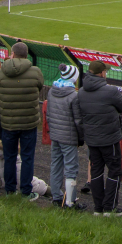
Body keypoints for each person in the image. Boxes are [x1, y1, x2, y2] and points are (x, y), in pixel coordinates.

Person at [0, 42, 45, 198]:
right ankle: (25, 190)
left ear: (13, 54)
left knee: (9, 156)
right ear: (27, 54)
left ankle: (10, 190)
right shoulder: (35, 71)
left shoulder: (2, 72)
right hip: (28, 122)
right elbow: (39, 86)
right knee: (27, 157)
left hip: (9, 121)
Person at [76, 61, 122, 215]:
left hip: (92, 139)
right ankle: (109, 207)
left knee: (96, 171)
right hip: (109, 139)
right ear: (102, 73)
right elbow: (121, 105)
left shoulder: (82, 92)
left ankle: (99, 207)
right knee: (115, 170)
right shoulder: (110, 91)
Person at [45, 64, 84, 209]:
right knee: (71, 168)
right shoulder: (73, 96)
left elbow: (49, 114)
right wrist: (81, 137)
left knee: (56, 165)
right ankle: (70, 201)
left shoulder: (51, 91)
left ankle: (57, 197)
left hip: (55, 134)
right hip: (68, 136)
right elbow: (78, 120)